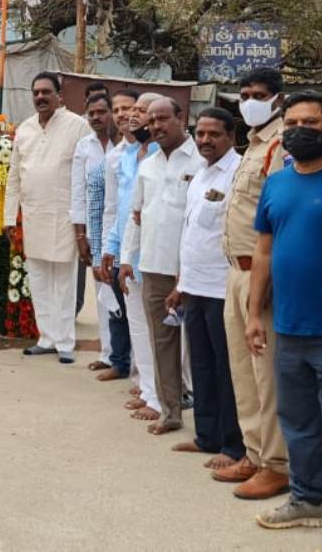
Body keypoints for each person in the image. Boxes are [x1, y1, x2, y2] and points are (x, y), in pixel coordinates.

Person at [247, 91, 322, 552]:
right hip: (288, 327)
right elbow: (263, 250)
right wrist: (256, 313)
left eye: (311, 122)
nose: (300, 129)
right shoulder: (276, 183)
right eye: (292, 122)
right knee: (296, 422)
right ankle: (306, 497)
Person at [215, 67, 290, 498]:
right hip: (236, 271)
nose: (249, 101)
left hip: (261, 273)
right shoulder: (254, 145)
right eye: (243, 94)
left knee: (267, 375)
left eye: (258, 94)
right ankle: (254, 453)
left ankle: (277, 464)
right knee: (243, 371)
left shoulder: (279, 146)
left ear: (277, 99)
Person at [165, 107, 245, 470]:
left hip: (221, 286)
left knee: (226, 368)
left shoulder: (237, 173)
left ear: (230, 137)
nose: (205, 141)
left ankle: (233, 444)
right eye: (201, 134)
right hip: (194, 284)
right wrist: (180, 283)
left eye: (214, 135)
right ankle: (206, 435)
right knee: (201, 364)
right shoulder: (199, 174)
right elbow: (191, 233)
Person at [120, 97, 204, 434]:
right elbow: (135, 217)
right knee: (163, 342)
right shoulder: (148, 166)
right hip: (153, 266)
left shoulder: (201, 162)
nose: (155, 126)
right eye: (151, 121)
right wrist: (128, 258)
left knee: (199, 343)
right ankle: (171, 411)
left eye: (162, 119)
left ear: (181, 118)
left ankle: (209, 417)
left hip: (193, 270)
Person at [4, 72, 92, 364]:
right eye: (36, 92)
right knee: (39, 279)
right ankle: (46, 338)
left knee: (64, 282)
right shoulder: (25, 129)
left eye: (46, 92)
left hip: (65, 216)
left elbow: (86, 175)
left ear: (59, 95)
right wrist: (8, 217)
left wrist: (84, 221)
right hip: (33, 215)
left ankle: (65, 342)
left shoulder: (78, 126)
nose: (40, 97)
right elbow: (14, 177)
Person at [101, 91, 162, 419]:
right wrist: (111, 249)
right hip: (129, 257)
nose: (134, 115)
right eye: (132, 110)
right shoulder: (127, 156)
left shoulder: (161, 155)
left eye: (141, 110)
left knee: (161, 333)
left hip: (155, 257)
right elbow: (121, 210)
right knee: (140, 329)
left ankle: (169, 393)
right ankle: (150, 391)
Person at [88, 89, 136, 384]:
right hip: (117, 242)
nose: (121, 115)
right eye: (116, 110)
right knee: (117, 308)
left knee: (141, 315)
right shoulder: (115, 156)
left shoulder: (152, 151)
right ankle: (119, 362)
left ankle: (142, 375)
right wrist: (104, 249)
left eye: (126, 109)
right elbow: (109, 208)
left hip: (142, 246)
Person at [71, 92, 116, 373]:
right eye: (92, 113)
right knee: (102, 292)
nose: (97, 117)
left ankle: (128, 357)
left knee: (124, 294)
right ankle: (109, 353)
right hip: (96, 230)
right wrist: (80, 236)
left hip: (122, 228)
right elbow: (78, 191)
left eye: (102, 111)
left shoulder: (124, 144)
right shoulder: (84, 146)